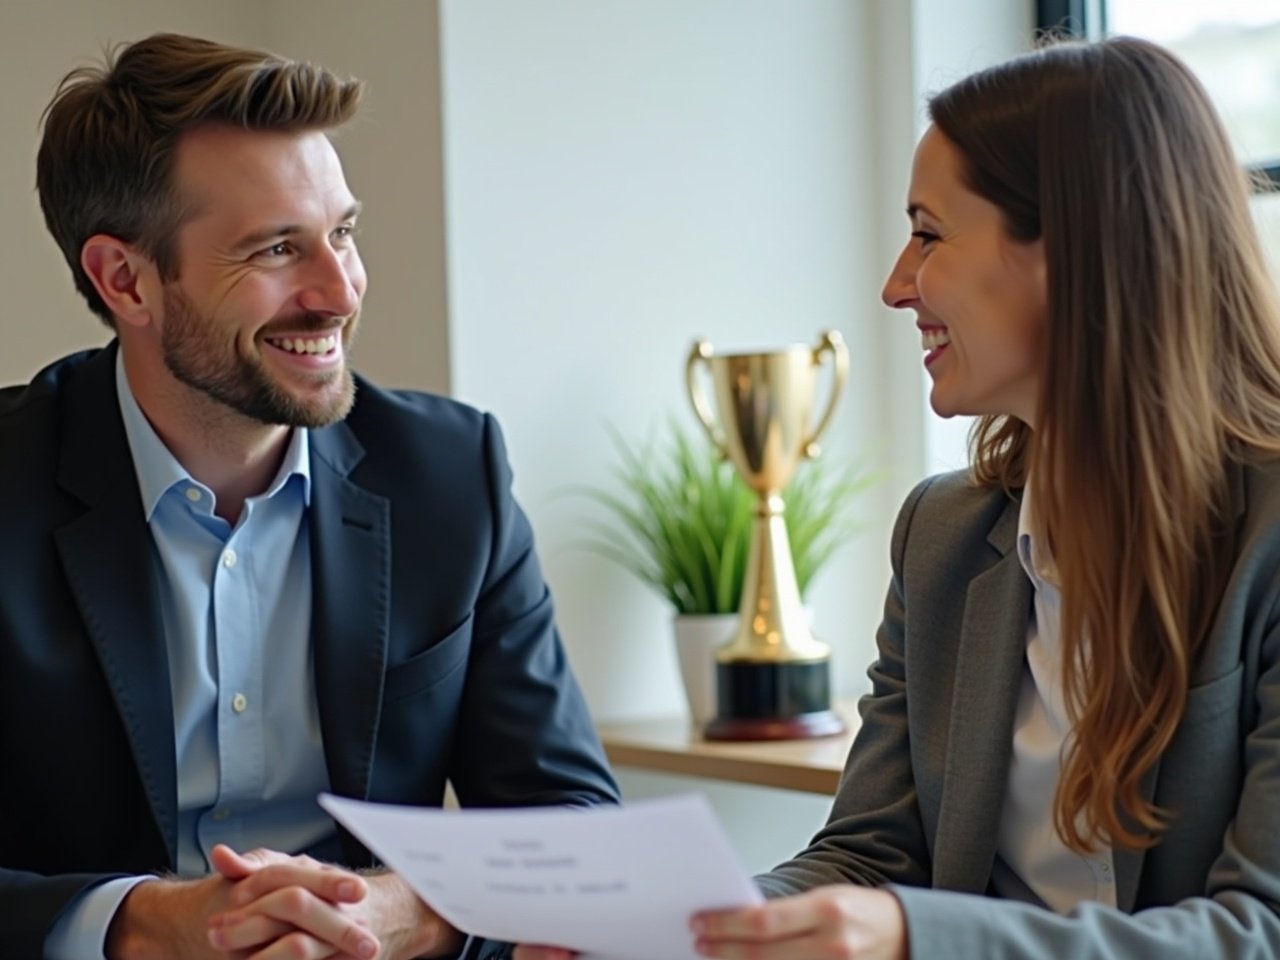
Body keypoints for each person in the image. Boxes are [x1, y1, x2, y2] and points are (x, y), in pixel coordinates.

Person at [517, 35, 1280, 960]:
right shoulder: (944, 535)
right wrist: (687, 928)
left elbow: (1259, 930)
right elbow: (873, 853)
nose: (894, 284)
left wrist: (917, 935)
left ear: (1072, 250)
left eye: (927, 232)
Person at [0, 32, 619, 960]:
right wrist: (139, 924)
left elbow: (573, 827)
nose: (339, 291)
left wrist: (404, 911)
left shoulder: (451, 473)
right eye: (277, 249)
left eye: (343, 232)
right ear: (124, 279)